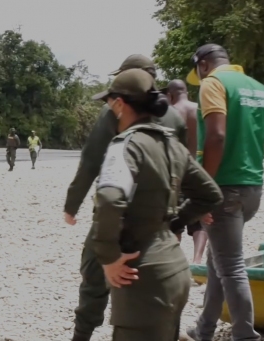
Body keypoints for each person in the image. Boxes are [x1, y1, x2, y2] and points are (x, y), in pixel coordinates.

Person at [85, 69, 223, 340]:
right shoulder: (171, 145)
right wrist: (174, 222)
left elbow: (110, 200)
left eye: (109, 103)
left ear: (120, 104)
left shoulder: (125, 146)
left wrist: (109, 257)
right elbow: (210, 194)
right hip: (175, 268)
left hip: (143, 278)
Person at [64, 54, 190, 341]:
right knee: (156, 281)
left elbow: (91, 160)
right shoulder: (174, 117)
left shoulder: (116, 112)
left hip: (115, 212)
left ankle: (82, 334)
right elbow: (184, 173)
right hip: (159, 222)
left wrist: (72, 204)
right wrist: (178, 222)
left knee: (96, 273)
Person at [183, 44, 264, 341]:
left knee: (230, 265)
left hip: (223, 189)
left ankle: (245, 336)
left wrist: (205, 190)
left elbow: (216, 136)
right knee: (219, 258)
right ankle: (204, 328)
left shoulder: (213, 84)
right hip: (252, 190)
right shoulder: (261, 90)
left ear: (203, 65)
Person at [162, 79, 207, 264]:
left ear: (170, 95)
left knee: (175, 219)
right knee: (200, 221)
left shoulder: (171, 112)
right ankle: (197, 261)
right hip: (199, 167)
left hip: (178, 170)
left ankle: (175, 261)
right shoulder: (201, 109)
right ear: (186, 91)